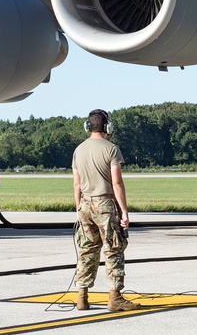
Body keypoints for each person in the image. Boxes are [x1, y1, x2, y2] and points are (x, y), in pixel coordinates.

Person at [72, 109, 140, 312]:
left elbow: (76, 184)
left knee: (87, 251)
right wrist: (125, 211)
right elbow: (117, 183)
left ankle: (82, 297)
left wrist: (78, 208)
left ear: (88, 126)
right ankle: (115, 297)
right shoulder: (111, 149)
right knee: (113, 249)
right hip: (105, 205)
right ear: (107, 127)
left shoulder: (79, 150)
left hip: (84, 204)